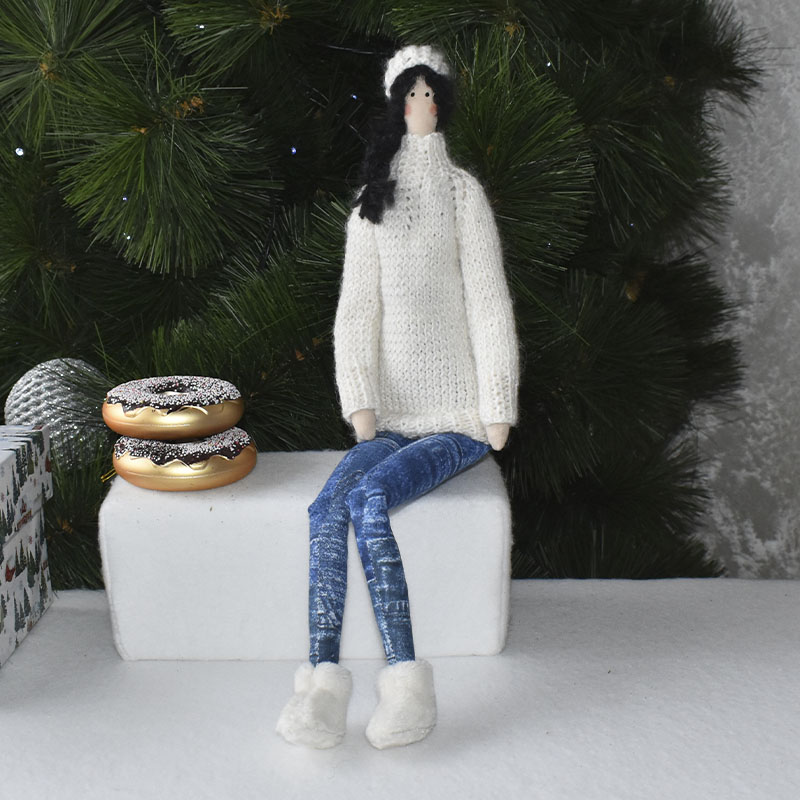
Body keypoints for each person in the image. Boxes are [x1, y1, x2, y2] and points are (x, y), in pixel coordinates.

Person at [276, 44, 519, 750]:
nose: (422, 107)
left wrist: (496, 405)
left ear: (444, 104)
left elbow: (489, 303)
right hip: (392, 418)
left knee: (370, 498)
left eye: (432, 95)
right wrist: (361, 402)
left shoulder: (462, 195)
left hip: (458, 419)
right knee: (326, 507)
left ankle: (408, 681)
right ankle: (322, 684)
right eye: (411, 96)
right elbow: (357, 310)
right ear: (394, 106)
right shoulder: (371, 202)